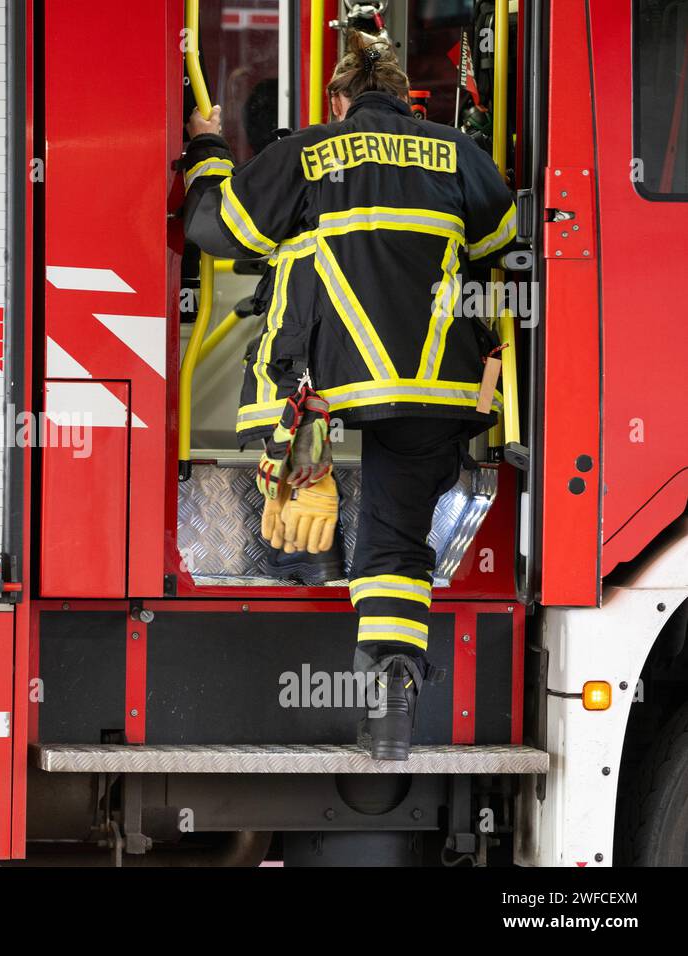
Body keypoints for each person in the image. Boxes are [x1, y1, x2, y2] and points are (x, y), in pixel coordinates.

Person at [181, 32, 517, 761]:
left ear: (338, 100)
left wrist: (207, 149)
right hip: (439, 391)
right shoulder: (458, 156)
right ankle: (391, 711)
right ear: (406, 99)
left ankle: (303, 547)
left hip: (322, 386)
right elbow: (505, 242)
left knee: (299, 462)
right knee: (397, 548)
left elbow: (213, 228)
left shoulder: (309, 151)